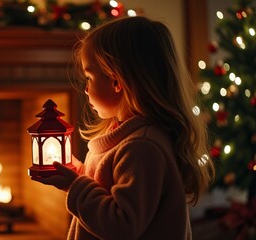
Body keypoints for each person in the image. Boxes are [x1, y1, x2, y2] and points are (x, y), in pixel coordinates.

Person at [32, 16, 215, 240]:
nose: (86, 89)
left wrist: (76, 186)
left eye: (89, 78)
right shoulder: (125, 137)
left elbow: (123, 226)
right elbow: (109, 193)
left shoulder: (142, 148)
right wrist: (80, 175)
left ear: (116, 81)